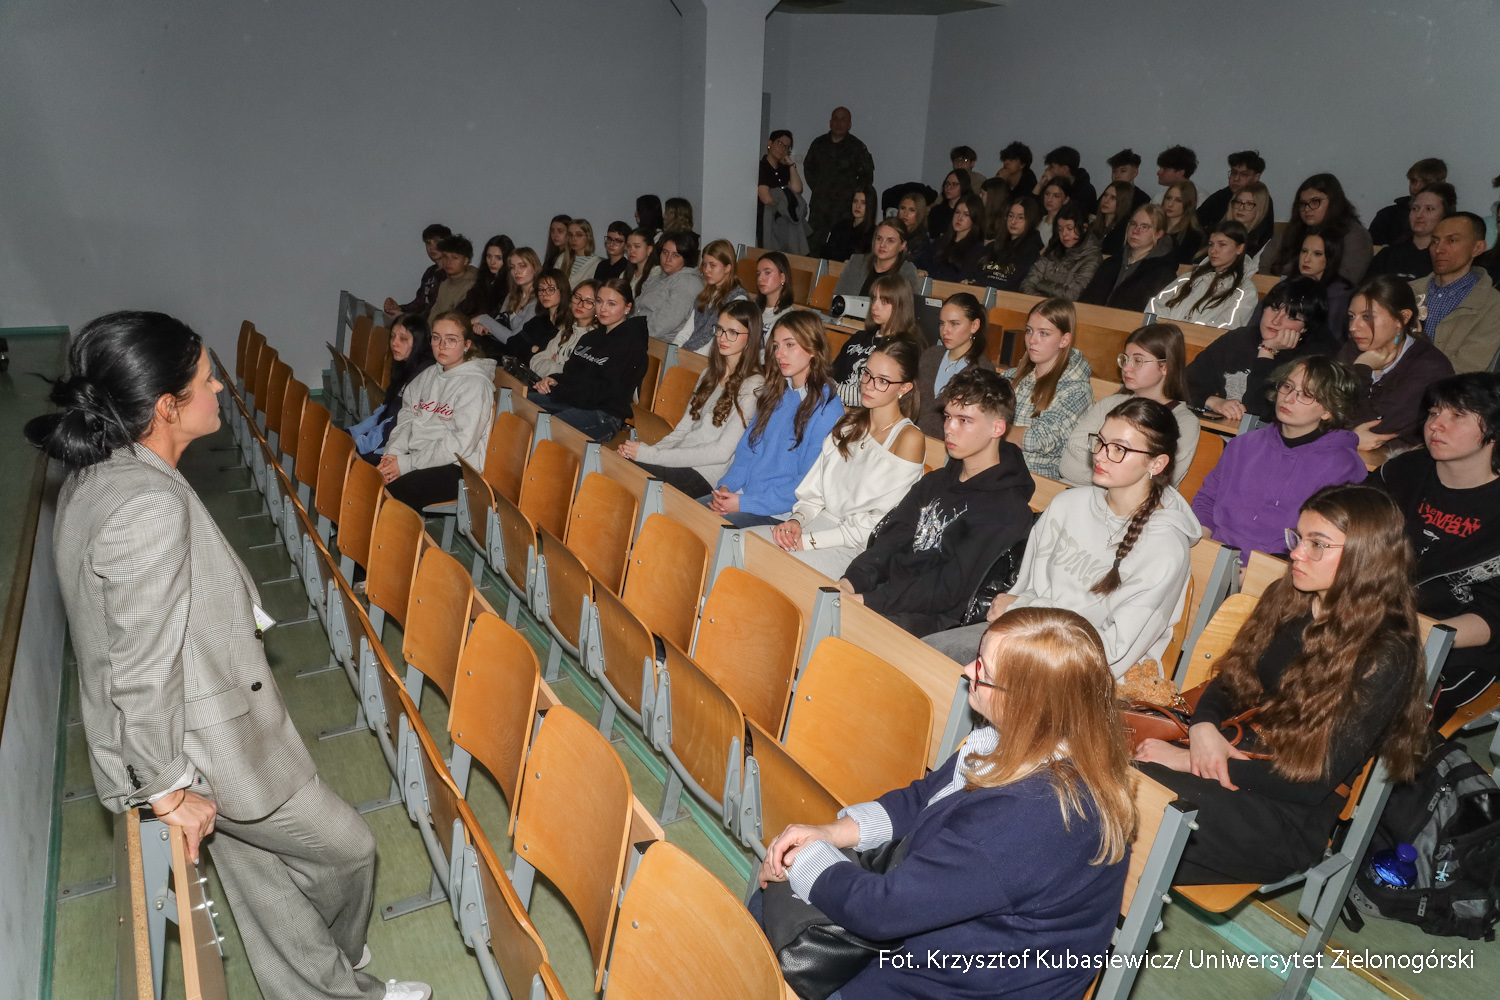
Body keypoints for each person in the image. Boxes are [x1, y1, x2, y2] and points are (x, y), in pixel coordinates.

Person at [28, 311, 431, 1000]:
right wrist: (166, 789)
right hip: (205, 747)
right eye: (207, 379)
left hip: (190, 731)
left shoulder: (107, 471)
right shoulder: (144, 505)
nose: (219, 388)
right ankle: (339, 956)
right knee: (348, 849)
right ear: (166, 406)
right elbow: (140, 665)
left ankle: (324, 990)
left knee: (263, 882)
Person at [757, 607, 1135, 1000]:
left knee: (768, 933)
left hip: (949, 985)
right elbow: (926, 797)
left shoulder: (1028, 818)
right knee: (774, 915)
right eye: (977, 658)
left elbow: (882, 912)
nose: (969, 671)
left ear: (1027, 703)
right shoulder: (1034, 744)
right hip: (937, 944)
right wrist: (832, 833)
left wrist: (802, 858)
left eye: (984, 672)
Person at [1136, 484, 1429, 887]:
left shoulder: (1386, 654)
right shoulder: (1290, 595)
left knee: (1120, 805)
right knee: (1094, 785)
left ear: (1366, 556)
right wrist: (1202, 727)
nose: (1296, 553)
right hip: (1230, 753)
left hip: (1283, 812)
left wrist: (1188, 761)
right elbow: (1233, 678)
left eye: (1317, 544)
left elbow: (1312, 783)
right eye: (1299, 538)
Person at [928, 397, 1198, 678]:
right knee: (929, 654)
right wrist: (1021, 607)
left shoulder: (1165, 547)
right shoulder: (1067, 504)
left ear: (1157, 463)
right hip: (1025, 636)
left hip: (1085, 670)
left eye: (1119, 449)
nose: (1100, 455)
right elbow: (1026, 589)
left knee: (954, 674)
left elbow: (1111, 651)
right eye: (1100, 442)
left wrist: (1024, 608)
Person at [838, 368, 1035, 635]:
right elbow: (890, 540)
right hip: (883, 595)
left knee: (845, 629)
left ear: (997, 428)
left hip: (932, 622)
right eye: (948, 416)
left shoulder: (1008, 509)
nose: (949, 428)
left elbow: (949, 589)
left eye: (964, 420)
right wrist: (851, 582)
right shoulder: (936, 481)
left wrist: (868, 601)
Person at [1368, 374, 1500, 726]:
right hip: (1371, 613)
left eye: (1457, 415)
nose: (1435, 425)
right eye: (1433, 412)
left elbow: (1492, 619)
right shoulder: (1403, 471)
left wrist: (1409, 636)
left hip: (1451, 648)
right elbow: (1347, 524)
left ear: (1494, 430)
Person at [755, 339, 925, 578]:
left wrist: (809, 541)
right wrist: (796, 520)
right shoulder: (848, 423)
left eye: (883, 381)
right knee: (741, 543)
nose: (868, 385)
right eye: (867, 374)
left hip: (852, 546)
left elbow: (876, 524)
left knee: (772, 568)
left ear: (904, 388)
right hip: (814, 523)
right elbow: (814, 491)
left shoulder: (909, 438)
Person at [1192, 356, 1368, 567]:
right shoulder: (1244, 444)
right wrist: (1203, 546)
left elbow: (1321, 543)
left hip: (1278, 569)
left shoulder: (1344, 466)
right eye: (1287, 386)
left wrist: (1252, 573)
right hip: (1213, 554)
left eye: (1306, 395)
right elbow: (1207, 498)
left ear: (1329, 410)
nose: (1288, 399)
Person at [709, 310, 843, 527]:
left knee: (704, 528)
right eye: (776, 346)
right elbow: (748, 451)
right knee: (685, 515)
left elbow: (805, 483)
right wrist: (726, 487)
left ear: (813, 349)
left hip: (780, 512)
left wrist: (744, 503)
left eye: (789, 345)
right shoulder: (775, 391)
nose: (779, 354)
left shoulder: (827, 407)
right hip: (745, 497)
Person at [623, 298, 765, 498]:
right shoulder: (709, 373)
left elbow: (721, 452)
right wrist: (648, 452)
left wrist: (651, 455)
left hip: (703, 474)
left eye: (733, 332)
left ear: (751, 338)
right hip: (679, 460)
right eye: (720, 329)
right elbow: (681, 431)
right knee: (623, 464)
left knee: (632, 475)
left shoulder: (753, 385)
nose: (722, 338)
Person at [380, 312, 497, 509]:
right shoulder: (427, 375)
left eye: (451, 340)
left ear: (467, 345)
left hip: (458, 467)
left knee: (390, 497)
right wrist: (392, 456)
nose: (442, 346)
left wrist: (406, 464)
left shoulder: (476, 385)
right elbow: (406, 420)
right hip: (419, 457)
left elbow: (460, 444)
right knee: (367, 481)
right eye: (436, 338)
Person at [1060, 324, 1200, 487]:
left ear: (1165, 367)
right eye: (1125, 359)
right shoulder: (1110, 403)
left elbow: (1158, 483)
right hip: (1069, 491)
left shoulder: (1184, 422)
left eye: (1137, 361)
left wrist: (1103, 474)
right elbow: (1068, 465)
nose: (1126, 368)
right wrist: (1119, 474)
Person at [1185, 278, 1336, 423]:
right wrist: (1212, 401)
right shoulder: (1239, 339)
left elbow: (1257, 412)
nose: (1276, 321)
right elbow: (1183, 382)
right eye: (1274, 309)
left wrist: (1267, 351)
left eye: (1291, 317)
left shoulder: (1310, 361)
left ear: (1305, 328)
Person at [1338, 275, 1455, 454]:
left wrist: (1360, 369)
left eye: (1367, 317)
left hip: (1392, 463)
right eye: (1351, 316)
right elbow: (1320, 406)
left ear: (1402, 318)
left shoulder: (1431, 367)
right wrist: (1349, 437)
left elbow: (1379, 428)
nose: (1353, 327)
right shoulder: (1351, 349)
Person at [529, 278, 649, 443]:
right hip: (576, 400)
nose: (603, 309)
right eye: (599, 301)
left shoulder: (632, 346)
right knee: (522, 404)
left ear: (627, 307)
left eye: (611, 304)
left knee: (547, 427)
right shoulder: (590, 337)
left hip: (604, 415)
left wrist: (559, 390)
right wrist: (554, 380)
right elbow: (571, 373)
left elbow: (603, 393)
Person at [1004, 297, 1093, 478]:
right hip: (998, 468)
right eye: (1029, 331)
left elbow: (1042, 438)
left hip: (1036, 478)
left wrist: (993, 428)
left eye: (1043, 333)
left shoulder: (1077, 389)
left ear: (1064, 340)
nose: (1032, 340)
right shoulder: (1010, 376)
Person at [1411, 212, 1500, 373]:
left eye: (1452, 240)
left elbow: (1466, 369)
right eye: (1434, 241)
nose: (1439, 249)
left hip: (1448, 387)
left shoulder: (1493, 305)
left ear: (1477, 248)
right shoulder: (1407, 291)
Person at [348, 313, 436, 462]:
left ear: (419, 341)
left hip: (396, 451)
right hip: (383, 442)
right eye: (393, 336)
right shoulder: (404, 364)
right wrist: (352, 433)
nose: (394, 343)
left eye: (403, 339)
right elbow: (384, 413)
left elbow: (397, 425)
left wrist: (359, 446)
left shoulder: (425, 373)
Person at [1259, 174, 1373, 284]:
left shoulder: (1356, 235)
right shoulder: (1289, 230)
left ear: (1334, 202)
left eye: (1315, 202)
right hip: (1276, 291)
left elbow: (1345, 282)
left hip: (1325, 295)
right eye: (1303, 204)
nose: (1307, 209)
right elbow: (1264, 267)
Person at [831, 274, 923, 407]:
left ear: (900, 305)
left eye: (884, 302)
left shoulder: (905, 347)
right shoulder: (859, 337)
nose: (874, 306)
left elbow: (879, 395)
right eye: (874, 299)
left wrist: (834, 393)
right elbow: (831, 376)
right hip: (836, 404)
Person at [1148, 221, 1260, 328]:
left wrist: (1184, 333)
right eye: (1211, 244)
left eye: (1222, 244)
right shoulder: (1188, 278)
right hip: (1164, 337)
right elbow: (1156, 305)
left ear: (1239, 248)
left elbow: (1226, 328)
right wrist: (1163, 332)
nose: (1213, 250)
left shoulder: (1244, 291)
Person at [915, 293, 996, 436]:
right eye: (942, 323)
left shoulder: (982, 370)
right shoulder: (931, 355)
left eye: (954, 324)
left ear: (974, 326)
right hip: (912, 436)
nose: (945, 331)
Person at [1079, 204, 1180, 311]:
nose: (1135, 231)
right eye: (1133, 224)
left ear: (1158, 234)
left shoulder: (1163, 273)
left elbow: (1151, 312)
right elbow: (1086, 299)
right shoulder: (1110, 263)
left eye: (1144, 226)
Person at [803, 107, 875, 254]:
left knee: (840, 248)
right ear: (830, 122)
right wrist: (820, 188)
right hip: (820, 207)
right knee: (813, 247)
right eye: (835, 119)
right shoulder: (819, 144)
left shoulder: (857, 147)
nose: (838, 123)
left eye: (843, 119)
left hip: (845, 210)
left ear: (849, 124)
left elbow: (867, 177)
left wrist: (853, 196)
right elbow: (809, 169)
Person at [1365, 182, 1455, 281]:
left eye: (1429, 209)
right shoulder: (1388, 255)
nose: (1419, 215)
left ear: (1445, 215)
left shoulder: (1448, 258)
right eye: (1415, 208)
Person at [1019, 202, 1100, 300]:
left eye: (1069, 228)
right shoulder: (1054, 248)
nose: (1064, 234)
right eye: (1060, 229)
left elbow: (1072, 294)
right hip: (1040, 305)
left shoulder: (1092, 258)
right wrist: (1040, 302)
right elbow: (1027, 283)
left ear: (1084, 228)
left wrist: (1040, 284)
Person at [635, 229, 705, 341]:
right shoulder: (657, 278)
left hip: (660, 343)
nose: (668, 259)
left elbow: (661, 325)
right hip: (639, 334)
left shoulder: (687, 283)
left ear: (686, 258)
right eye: (665, 252)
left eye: (675, 255)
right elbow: (636, 307)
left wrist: (630, 331)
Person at [682, 239, 749, 354]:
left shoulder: (737, 299)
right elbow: (686, 332)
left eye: (712, 265)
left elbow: (717, 342)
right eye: (704, 264)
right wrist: (674, 351)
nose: (706, 270)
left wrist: (689, 356)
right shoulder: (704, 295)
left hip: (706, 357)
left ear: (727, 268)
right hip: (689, 351)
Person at [529, 279, 598, 382]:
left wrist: (553, 366)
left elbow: (576, 376)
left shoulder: (595, 338)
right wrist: (558, 367)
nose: (580, 304)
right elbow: (535, 361)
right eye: (577, 297)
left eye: (588, 302)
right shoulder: (566, 330)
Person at [832, 219, 921, 298]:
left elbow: (911, 307)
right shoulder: (857, 262)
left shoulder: (907, 271)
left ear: (902, 245)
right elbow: (838, 297)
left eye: (890, 241)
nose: (882, 245)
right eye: (879, 239)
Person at [971, 194, 1043, 291]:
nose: (1013, 221)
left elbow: (1017, 284)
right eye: (1011, 216)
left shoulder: (1031, 252)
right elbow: (976, 272)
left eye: (1020, 218)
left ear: (1030, 221)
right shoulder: (992, 246)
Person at [1369, 157, 1448, 246]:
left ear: (1442, 184)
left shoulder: (1450, 219)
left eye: (1426, 182)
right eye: (1413, 181)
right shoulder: (1388, 215)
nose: (1417, 187)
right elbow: (1372, 250)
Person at [497, 268, 571, 363]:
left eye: (550, 289)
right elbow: (512, 343)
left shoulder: (569, 323)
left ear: (562, 291)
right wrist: (533, 349)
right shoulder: (539, 319)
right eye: (541, 289)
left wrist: (531, 350)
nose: (544, 294)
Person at [1292, 231, 1355, 341]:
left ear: (1330, 258)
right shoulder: (1289, 285)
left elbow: (1333, 339)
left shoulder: (1340, 293)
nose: (1306, 259)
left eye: (1317, 254)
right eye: (1304, 251)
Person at [383, 222, 450, 319]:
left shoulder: (451, 274)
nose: (432, 247)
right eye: (428, 243)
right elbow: (420, 303)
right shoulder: (430, 271)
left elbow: (438, 308)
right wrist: (399, 309)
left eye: (437, 242)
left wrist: (406, 316)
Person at [919, 191, 986, 282]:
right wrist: (920, 271)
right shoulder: (940, 241)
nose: (959, 218)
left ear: (975, 218)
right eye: (957, 212)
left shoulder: (976, 249)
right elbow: (921, 263)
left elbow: (963, 277)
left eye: (966, 214)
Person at [1195, 150, 1265, 234]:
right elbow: (1195, 223)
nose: (1236, 179)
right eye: (1234, 173)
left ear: (1256, 177)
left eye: (1244, 175)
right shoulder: (1220, 197)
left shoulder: (1262, 200)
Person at [757, 129, 806, 248]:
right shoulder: (761, 166)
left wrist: (791, 164)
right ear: (770, 143)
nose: (783, 148)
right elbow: (766, 198)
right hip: (767, 221)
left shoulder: (784, 170)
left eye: (787, 147)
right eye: (780, 143)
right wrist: (784, 202)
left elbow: (797, 189)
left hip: (785, 222)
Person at [426, 233, 478, 322]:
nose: (448, 262)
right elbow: (434, 314)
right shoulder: (444, 284)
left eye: (454, 258)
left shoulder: (474, 285)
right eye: (445, 257)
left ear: (465, 261)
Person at [1033, 145, 1096, 214]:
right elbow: (1032, 210)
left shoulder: (1085, 191)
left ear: (1064, 170)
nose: (1047, 170)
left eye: (1051, 167)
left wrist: (1053, 184)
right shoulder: (1049, 185)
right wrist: (1040, 186)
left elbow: (1069, 213)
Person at [822, 183, 877, 262]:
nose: (857, 206)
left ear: (870, 205)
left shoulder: (874, 233)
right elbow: (826, 253)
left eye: (863, 202)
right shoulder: (840, 226)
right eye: (855, 201)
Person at [1226, 181, 1275, 261]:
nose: (1241, 208)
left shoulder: (1262, 243)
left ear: (1260, 209)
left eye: (1249, 204)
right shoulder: (1218, 231)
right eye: (1238, 202)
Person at [499, 246, 542, 334]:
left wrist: (484, 320)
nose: (516, 271)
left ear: (535, 269)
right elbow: (498, 323)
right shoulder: (511, 295)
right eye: (512, 267)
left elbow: (515, 337)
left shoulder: (539, 299)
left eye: (522, 266)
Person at [1089, 180, 1137, 257]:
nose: (1106, 201)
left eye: (1113, 198)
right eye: (1105, 195)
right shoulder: (1093, 225)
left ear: (1123, 202)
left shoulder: (1124, 230)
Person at [1162, 181, 1205, 263]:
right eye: (1168, 198)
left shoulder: (1192, 236)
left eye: (1178, 200)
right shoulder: (1153, 226)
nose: (1170, 204)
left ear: (1188, 204)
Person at [755, 251, 797, 335]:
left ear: (782, 277)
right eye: (758, 274)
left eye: (767, 273)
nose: (760, 278)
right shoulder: (753, 308)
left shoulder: (788, 318)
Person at [928, 169, 972, 242]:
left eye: (954, 184)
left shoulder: (969, 211)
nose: (948, 188)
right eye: (947, 183)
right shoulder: (936, 211)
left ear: (963, 186)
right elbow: (933, 238)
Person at [1034, 174, 1071, 248]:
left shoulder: (1065, 228)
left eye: (1056, 196)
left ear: (1066, 200)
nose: (1049, 199)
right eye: (1047, 194)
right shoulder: (1037, 220)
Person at [895, 192, 932, 264]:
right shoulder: (893, 231)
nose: (905, 213)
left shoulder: (921, 241)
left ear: (920, 213)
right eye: (903, 208)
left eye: (911, 210)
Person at [978, 176, 1014, 241]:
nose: (979, 196)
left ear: (993, 197)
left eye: (983, 193)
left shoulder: (1007, 221)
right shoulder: (981, 213)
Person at [624, 227, 656, 297]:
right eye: (629, 246)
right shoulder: (625, 274)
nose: (631, 251)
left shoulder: (656, 274)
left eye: (637, 246)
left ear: (649, 249)